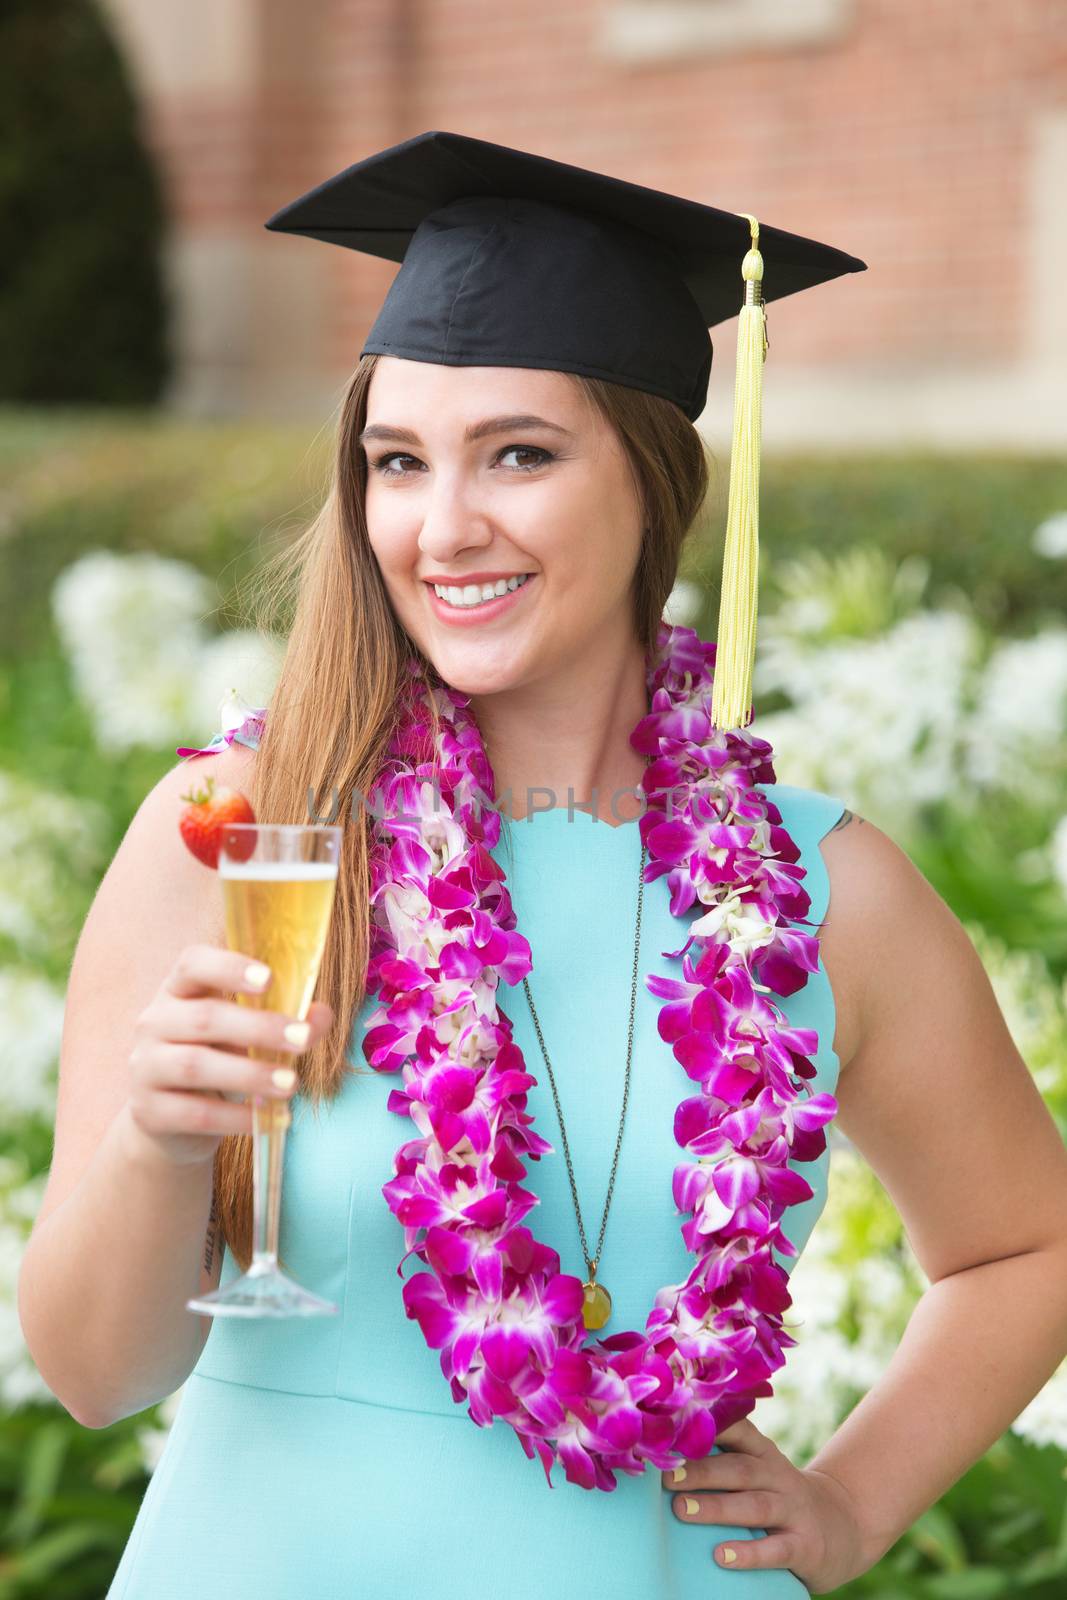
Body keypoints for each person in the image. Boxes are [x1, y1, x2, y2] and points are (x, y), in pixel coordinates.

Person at [18, 132, 1067, 1600]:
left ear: (653, 479)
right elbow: (90, 1375)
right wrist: (154, 1143)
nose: (445, 528)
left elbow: (1026, 1246)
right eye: (398, 463)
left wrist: (854, 1502)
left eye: (520, 452)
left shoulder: (821, 897)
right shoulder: (247, 833)